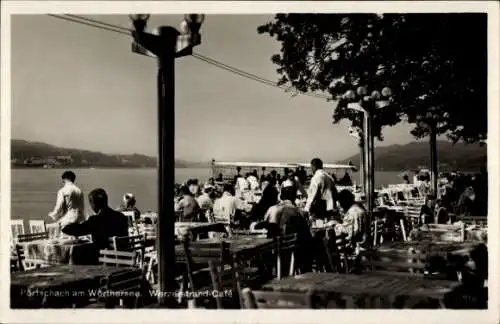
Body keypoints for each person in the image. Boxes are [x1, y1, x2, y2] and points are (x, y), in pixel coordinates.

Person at [264, 187, 313, 273]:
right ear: (294, 198)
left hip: (272, 250)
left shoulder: (271, 209)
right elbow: (306, 234)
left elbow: (266, 227)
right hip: (292, 252)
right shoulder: (298, 212)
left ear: (281, 197)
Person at [62, 188, 128, 250]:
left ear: (94, 204)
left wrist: (63, 225)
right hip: (125, 256)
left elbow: (77, 230)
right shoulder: (121, 216)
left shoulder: (95, 220)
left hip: (104, 257)